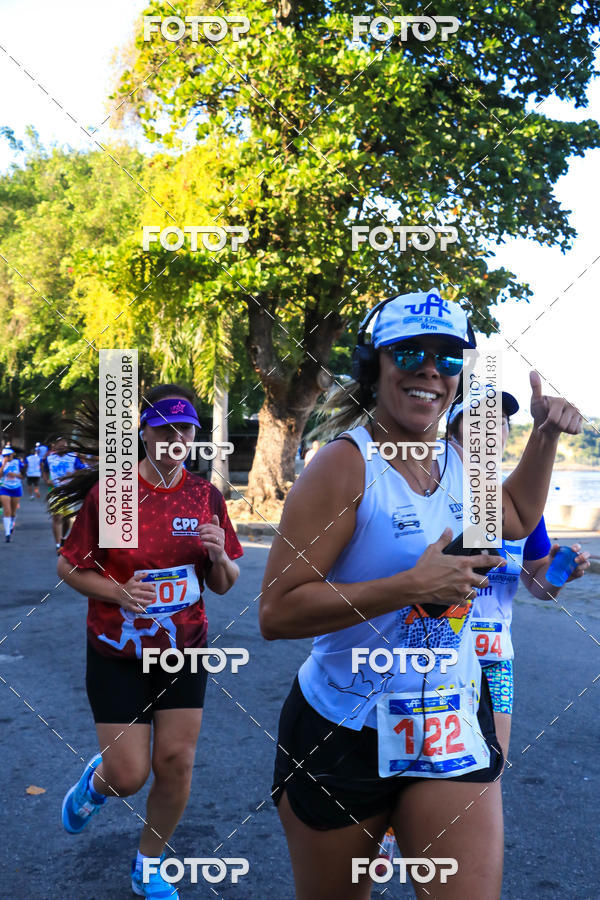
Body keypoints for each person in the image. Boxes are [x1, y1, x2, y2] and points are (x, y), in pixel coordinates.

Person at [259, 289, 582, 900]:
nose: (430, 369)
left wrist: (543, 437)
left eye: (449, 358)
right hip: (341, 726)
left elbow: (514, 516)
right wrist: (411, 586)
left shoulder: (461, 460)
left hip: (448, 717)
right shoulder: (342, 468)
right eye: (409, 352)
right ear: (376, 364)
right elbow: (277, 612)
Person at [56, 384, 243, 899]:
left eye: (185, 430)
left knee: (177, 760)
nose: (175, 440)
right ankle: (98, 783)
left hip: (184, 649)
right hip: (117, 650)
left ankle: (150, 862)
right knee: (129, 774)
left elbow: (224, 584)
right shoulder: (113, 495)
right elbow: (69, 567)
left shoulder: (205, 497)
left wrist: (219, 557)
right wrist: (117, 590)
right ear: (144, 431)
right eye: (164, 430)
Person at [447, 392, 590, 758]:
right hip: (434, 657)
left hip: (495, 658)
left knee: (490, 766)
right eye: (477, 421)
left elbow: (539, 585)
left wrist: (561, 574)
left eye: (501, 422)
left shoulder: (523, 503)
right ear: (451, 432)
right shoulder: (430, 492)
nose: (491, 429)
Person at [43, 437, 86, 551]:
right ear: (55, 446)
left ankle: (63, 538)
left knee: (68, 519)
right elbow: (45, 471)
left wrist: (74, 476)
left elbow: (83, 470)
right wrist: (47, 480)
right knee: (57, 517)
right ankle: (58, 544)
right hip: (55, 491)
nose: (62, 445)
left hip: (69, 491)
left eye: (64, 443)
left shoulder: (73, 458)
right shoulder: (49, 458)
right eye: (59, 444)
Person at [0, 446, 23, 542]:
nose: (8, 457)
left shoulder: (18, 462)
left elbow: (22, 476)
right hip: (4, 488)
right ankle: (7, 534)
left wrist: (16, 475)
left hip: (16, 488)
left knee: (13, 512)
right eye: (5, 456)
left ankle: (11, 524)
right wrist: (3, 464)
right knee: (7, 511)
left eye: (9, 456)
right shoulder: (1, 462)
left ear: (13, 455)